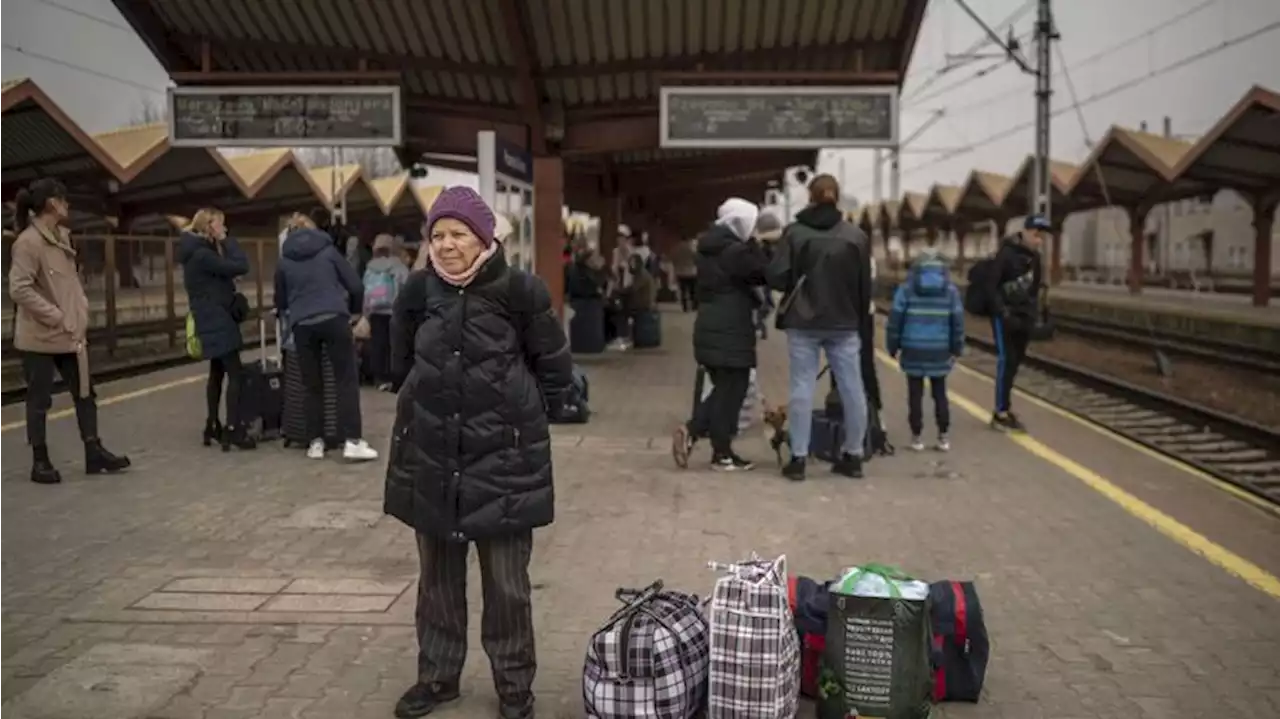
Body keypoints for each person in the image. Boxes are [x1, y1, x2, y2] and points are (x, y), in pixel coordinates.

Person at [385, 186, 573, 719]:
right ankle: (438, 678)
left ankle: (515, 688)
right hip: (433, 456)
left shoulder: (520, 291)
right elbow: (397, 362)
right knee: (438, 583)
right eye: (437, 235)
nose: (445, 245)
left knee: (508, 587)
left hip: (504, 461)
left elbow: (553, 366)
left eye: (457, 235)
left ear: (484, 239)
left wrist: (532, 417)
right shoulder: (419, 292)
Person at [8, 177, 130, 484]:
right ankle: (40, 461)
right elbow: (19, 289)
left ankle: (94, 450)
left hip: (70, 333)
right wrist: (56, 315)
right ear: (52, 203)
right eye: (64, 200)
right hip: (40, 336)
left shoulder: (62, 237)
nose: (68, 205)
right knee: (39, 400)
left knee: (86, 392)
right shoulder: (28, 242)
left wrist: (80, 311)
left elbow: (70, 284)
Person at [767, 174, 873, 482]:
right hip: (845, 323)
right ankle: (853, 456)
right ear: (837, 198)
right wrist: (859, 321)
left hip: (803, 322)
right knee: (853, 388)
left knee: (802, 386)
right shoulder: (856, 236)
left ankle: (798, 458)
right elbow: (865, 287)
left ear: (810, 198)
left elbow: (776, 276)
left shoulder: (795, 233)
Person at [671, 197, 773, 472]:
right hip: (730, 329)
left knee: (724, 391)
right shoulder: (735, 252)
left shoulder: (710, 249)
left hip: (710, 326)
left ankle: (710, 443)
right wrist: (760, 247)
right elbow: (764, 273)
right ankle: (715, 449)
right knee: (732, 391)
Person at [274, 213, 378, 461]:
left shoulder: (284, 260)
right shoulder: (328, 251)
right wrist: (353, 312)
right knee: (345, 381)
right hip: (334, 318)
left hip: (302, 325)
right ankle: (352, 441)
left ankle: (315, 443)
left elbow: (280, 300)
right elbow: (355, 285)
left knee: (312, 385)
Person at [177, 208, 256, 450]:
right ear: (209, 227)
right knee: (236, 374)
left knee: (217, 373)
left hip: (207, 319)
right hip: (218, 320)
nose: (224, 229)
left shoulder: (196, 253)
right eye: (220, 225)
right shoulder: (203, 255)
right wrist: (225, 240)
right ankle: (233, 430)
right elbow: (242, 265)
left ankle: (212, 425)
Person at [886, 248, 964, 452]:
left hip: (913, 347)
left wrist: (892, 346)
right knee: (940, 392)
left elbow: (895, 321)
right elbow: (957, 323)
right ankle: (943, 437)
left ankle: (916, 437)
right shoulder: (951, 291)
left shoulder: (906, 289)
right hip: (939, 348)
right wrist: (957, 348)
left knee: (915, 393)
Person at [984, 215, 1047, 432]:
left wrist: (1034, 314)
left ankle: (1005, 406)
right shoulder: (1006, 254)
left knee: (1015, 363)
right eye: (1037, 234)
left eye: (1042, 236)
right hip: (1005, 318)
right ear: (1027, 232)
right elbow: (991, 287)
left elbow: (1035, 288)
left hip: (1024, 318)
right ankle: (1000, 412)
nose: (1039, 240)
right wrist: (1002, 312)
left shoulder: (1035, 259)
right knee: (1005, 360)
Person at [362, 233, 410, 391]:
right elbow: (406, 285)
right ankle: (393, 377)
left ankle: (379, 378)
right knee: (394, 345)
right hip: (394, 310)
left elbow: (366, 291)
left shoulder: (370, 267)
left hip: (375, 311)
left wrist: (365, 313)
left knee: (378, 344)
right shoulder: (398, 265)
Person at [671, 237, 699, 312]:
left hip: (680, 271)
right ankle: (694, 305)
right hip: (692, 271)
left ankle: (685, 306)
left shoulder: (676, 247)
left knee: (683, 290)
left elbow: (674, 259)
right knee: (692, 290)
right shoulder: (692, 246)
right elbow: (696, 257)